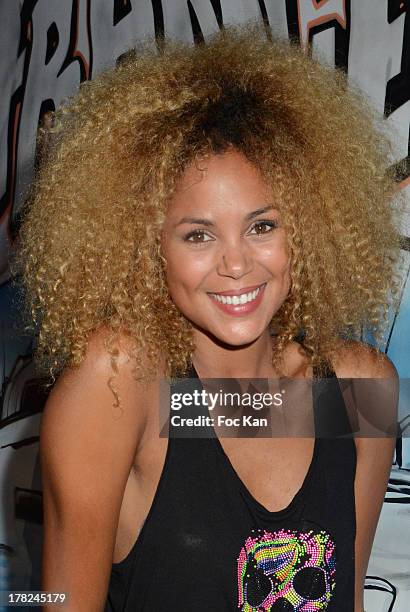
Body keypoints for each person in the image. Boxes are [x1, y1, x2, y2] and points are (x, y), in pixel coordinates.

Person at [15, 23, 402, 612]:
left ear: (309, 227)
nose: (236, 265)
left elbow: (342, 594)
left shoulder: (358, 390)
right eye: (198, 235)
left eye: (262, 226)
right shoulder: (122, 389)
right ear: (147, 248)